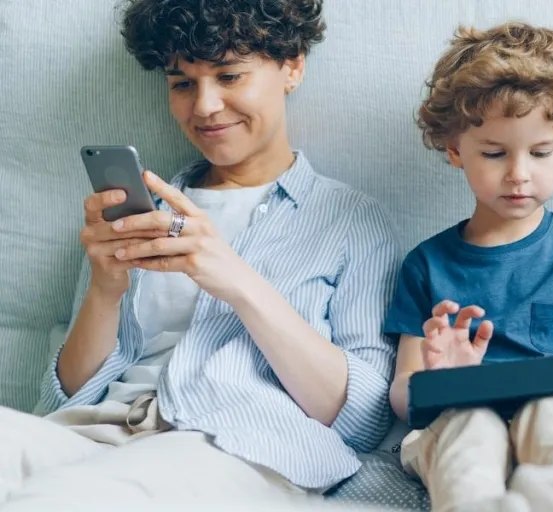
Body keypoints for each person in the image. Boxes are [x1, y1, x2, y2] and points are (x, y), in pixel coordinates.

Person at [0, 0, 400, 508]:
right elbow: (66, 398)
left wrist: (236, 279)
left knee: (67, 497)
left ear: (292, 66)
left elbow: (364, 418)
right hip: (96, 434)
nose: (205, 106)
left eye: (229, 76)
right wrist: (105, 288)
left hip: (235, 446)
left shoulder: (350, 220)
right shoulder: (144, 208)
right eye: (183, 83)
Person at [382, 22, 553, 512]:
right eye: (495, 153)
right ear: (456, 150)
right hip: (452, 420)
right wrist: (439, 378)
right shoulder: (426, 265)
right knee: (471, 426)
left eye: (540, 153)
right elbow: (403, 396)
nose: (518, 174)